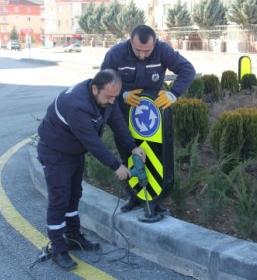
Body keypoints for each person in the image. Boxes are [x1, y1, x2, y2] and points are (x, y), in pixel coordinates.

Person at [37, 69, 146, 271]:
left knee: (74, 195)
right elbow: (93, 143)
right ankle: (58, 248)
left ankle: (73, 235)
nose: (112, 101)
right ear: (95, 89)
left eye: (115, 96)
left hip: (74, 152)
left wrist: (132, 147)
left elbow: (117, 122)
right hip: (55, 153)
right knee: (59, 199)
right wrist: (117, 166)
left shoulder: (104, 97)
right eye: (109, 97)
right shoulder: (77, 106)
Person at [100, 24, 196, 213]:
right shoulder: (116, 54)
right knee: (129, 157)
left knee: (156, 157)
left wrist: (173, 94)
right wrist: (123, 95)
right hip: (124, 116)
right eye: (138, 50)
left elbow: (187, 70)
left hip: (153, 120)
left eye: (147, 51)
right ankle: (134, 196)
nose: (142, 55)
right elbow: (102, 81)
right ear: (130, 42)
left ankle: (155, 200)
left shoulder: (162, 51)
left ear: (155, 44)